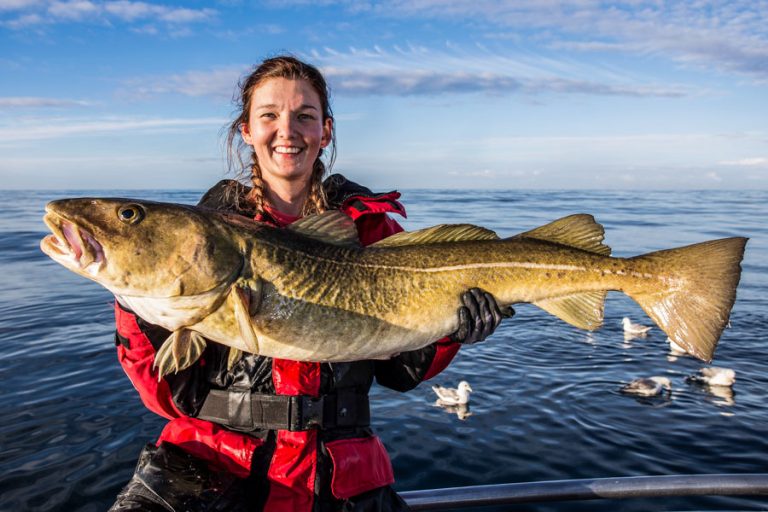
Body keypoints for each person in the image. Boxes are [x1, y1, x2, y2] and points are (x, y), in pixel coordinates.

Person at [110, 55, 511, 512]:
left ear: (326, 131)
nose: (287, 130)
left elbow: (400, 372)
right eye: (269, 115)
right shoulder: (200, 240)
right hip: (210, 471)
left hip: (340, 478)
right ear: (246, 130)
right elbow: (165, 397)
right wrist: (133, 295)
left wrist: (450, 331)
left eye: (305, 116)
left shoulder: (372, 235)